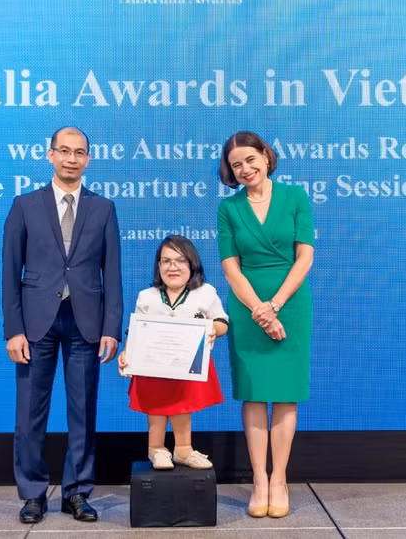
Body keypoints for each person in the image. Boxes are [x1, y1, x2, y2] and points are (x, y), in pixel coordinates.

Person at [1, 126, 122, 524]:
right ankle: (33, 493)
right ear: (49, 154)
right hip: (36, 324)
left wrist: (111, 327)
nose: (72, 158)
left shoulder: (104, 208)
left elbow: (113, 274)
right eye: (64, 151)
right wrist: (13, 330)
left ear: (89, 159)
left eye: (79, 152)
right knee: (29, 413)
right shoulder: (24, 205)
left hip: (86, 322)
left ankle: (77, 492)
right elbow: (9, 273)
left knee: (82, 411)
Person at [216, 131, 314, 519]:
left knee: (286, 394)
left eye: (250, 160)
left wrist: (275, 305)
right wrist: (258, 309)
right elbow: (229, 265)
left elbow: (304, 257)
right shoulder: (229, 208)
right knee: (254, 395)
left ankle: (280, 479)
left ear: (266, 156)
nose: (245, 169)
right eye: (236, 165)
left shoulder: (295, 198)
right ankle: (259, 479)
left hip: (289, 303)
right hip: (246, 305)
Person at [117, 236, 228, 471]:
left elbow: (222, 321)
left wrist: (213, 330)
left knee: (181, 405)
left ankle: (183, 450)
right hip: (152, 367)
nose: (172, 267)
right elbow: (136, 331)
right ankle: (156, 450)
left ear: (192, 264)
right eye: (166, 261)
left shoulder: (206, 293)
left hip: (187, 367)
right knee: (155, 408)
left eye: (180, 260)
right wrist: (127, 354)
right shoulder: (147, 296)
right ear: (158, 266)